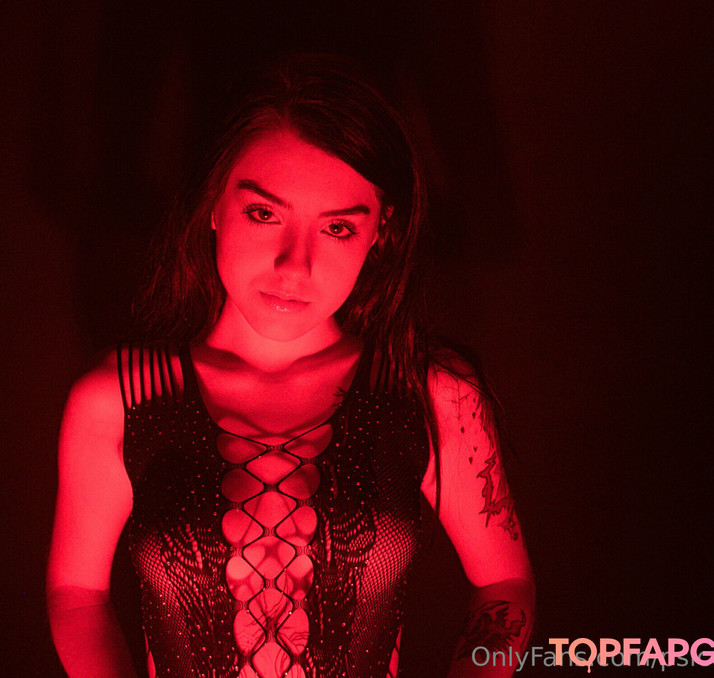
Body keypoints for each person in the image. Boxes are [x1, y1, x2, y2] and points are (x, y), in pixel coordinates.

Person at [47, 55, 534, 678]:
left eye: (337, 228)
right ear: (213, 204)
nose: (294, 265)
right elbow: (77, 595)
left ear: (381, 231)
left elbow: (504, 585)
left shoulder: (430, 392)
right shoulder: (121, 396)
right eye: (264, 213)